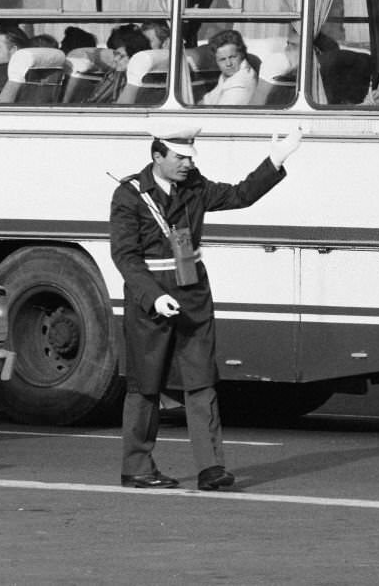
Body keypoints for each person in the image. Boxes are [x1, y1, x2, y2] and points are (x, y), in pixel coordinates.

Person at [109, 125, 303, 490]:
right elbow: (125, 256)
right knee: (145, 384)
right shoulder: (129, 195)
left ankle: (211, 468)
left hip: (192, 293)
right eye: (180, 157)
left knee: (201, 381)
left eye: (190, 157)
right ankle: (136, 466)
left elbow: (240, 195)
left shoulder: (195, 186)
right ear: (157, 157)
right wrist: (153, 296)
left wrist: (276, 159)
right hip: (151, 297)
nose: (187, 163)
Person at [87, 25, 150, 104]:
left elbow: (117, 106)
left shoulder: (136, 80)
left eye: (121, 56)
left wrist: (120, 73)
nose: (115, 59)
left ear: (134, 56)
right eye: (114, 54)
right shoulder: (112, 73)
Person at [201, 29, 257, 106]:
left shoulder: (239, 87)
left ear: (241, 54)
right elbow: (208, 99)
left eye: (233, 57)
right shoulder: (229, 75)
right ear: (216, 61)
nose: (228, 63)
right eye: (222, 59)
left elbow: (220, 116)